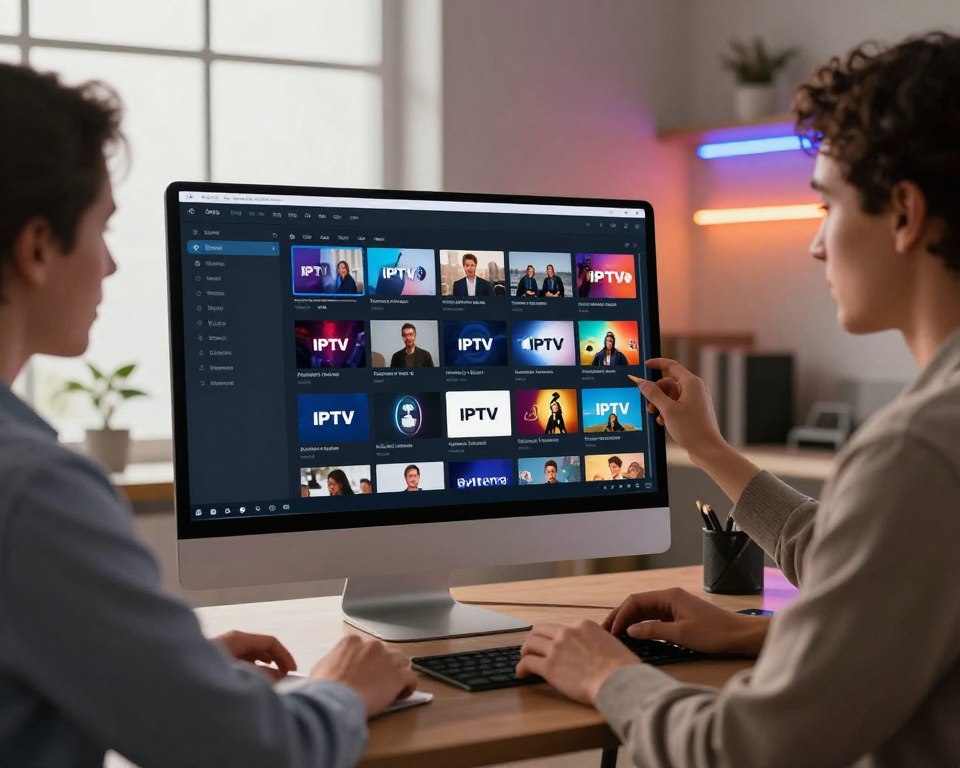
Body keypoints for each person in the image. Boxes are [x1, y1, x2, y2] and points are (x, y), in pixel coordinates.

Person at [517, 32, 960, 768]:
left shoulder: (917, 450)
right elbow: (882, 572)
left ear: (906, 213)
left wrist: (610, 677)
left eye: (827, 205)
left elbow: (744, 751)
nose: (817, 245)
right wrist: (764, 628)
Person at [0, 63, 417, 767]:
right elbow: (257, 754)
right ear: (38, 247)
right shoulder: (35, 493)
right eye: (102, 229)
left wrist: (162, 672)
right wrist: (340, 691)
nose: (109, 266)